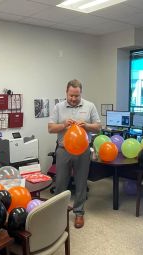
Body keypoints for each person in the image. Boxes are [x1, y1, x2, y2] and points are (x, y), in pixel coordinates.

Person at [48, 79, 101, 229]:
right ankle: (59, 211)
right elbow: (50, 128)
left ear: (80, 93)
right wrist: (64, 125)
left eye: (76, 96)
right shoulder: (58, 107)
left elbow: (98, 128)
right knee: (60, 183)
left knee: (81, 182)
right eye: (71, 95)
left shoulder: (90, 106)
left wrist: (87, 126)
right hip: (63, 150)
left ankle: (79, 212)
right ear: (66, 92)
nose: (73, 99)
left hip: (83, 151)